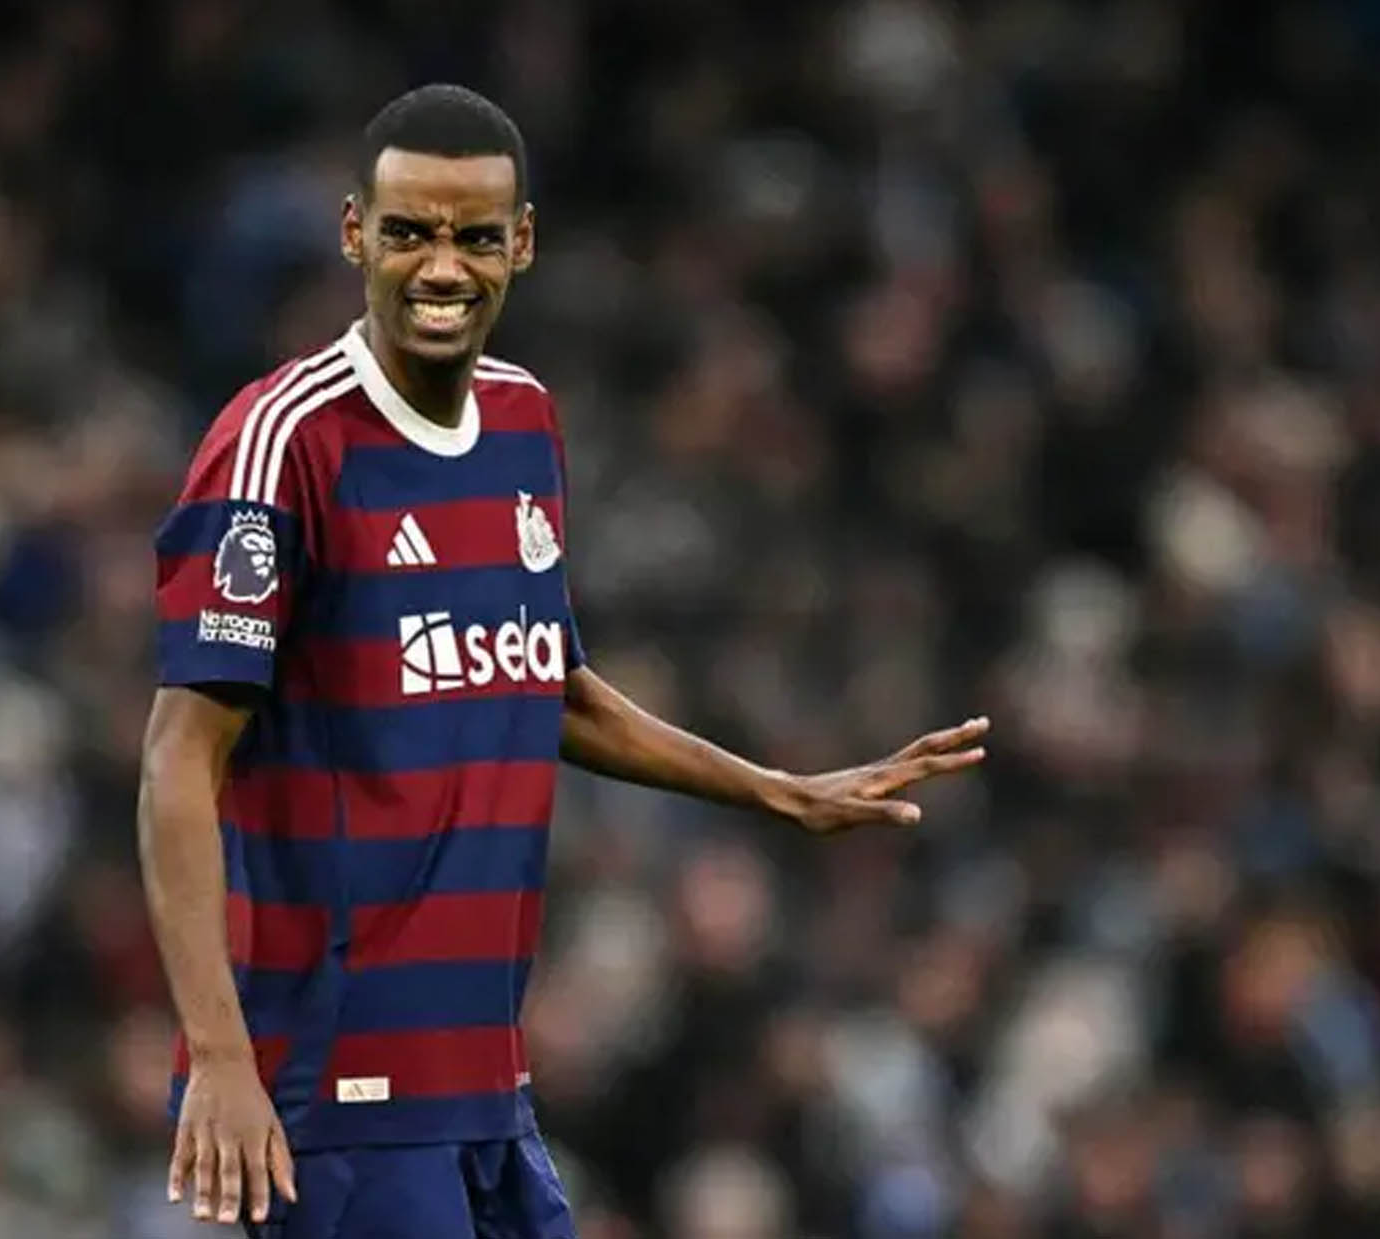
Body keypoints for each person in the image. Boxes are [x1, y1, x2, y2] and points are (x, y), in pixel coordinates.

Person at [138, 83, 989, 1239]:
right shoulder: (281, 444)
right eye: (409, 233)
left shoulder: (523, 421)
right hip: (332, 1084)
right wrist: (221, 1060)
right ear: (354, 235)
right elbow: (178, 762)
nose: (443, 268)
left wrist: (775, 791)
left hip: (480, 1079)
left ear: (522, 243)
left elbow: (547, 686)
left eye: (475, 237)